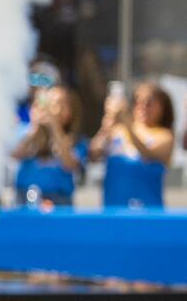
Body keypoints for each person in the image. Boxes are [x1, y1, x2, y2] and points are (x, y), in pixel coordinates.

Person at [92, 81, 175, 209]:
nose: (142, 107)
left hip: (148, 211)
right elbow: (94, 152)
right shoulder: (117, 130)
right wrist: (106, 125)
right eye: (138, 101)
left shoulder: (165, 136)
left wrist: (126, 121)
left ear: (163, 107)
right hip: (114, 210)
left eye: (149, 103)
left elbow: (148, 153)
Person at [12, 84, 86, 209]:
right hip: (25, 199)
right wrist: (35, 127)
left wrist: (54, 127)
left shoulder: (76, 140)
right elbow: (15, 154)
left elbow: (70, 164)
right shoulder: (27, 133)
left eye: (61, 104)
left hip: (59, 201)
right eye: (50, 104)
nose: (54, 109)